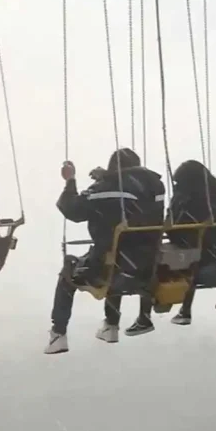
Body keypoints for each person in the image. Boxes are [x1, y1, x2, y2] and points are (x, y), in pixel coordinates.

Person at [44, 148, 165, 354]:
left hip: (113, 268)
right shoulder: (155, 187)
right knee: (115, 254)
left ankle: (59, 334)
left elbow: (71, 208)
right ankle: (110, 323)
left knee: (71, 269)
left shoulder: (105, 189)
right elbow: (129, 195)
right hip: (147, 265)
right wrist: (108, 177)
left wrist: (70, 180)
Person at [124, 160, 216, 336]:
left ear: (186, 182)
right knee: (189, 258)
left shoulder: (187, 199)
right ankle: (184, 310)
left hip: (197, 258)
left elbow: (174, 229)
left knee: (154, 260)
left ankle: (145, 317)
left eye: (177, 183)